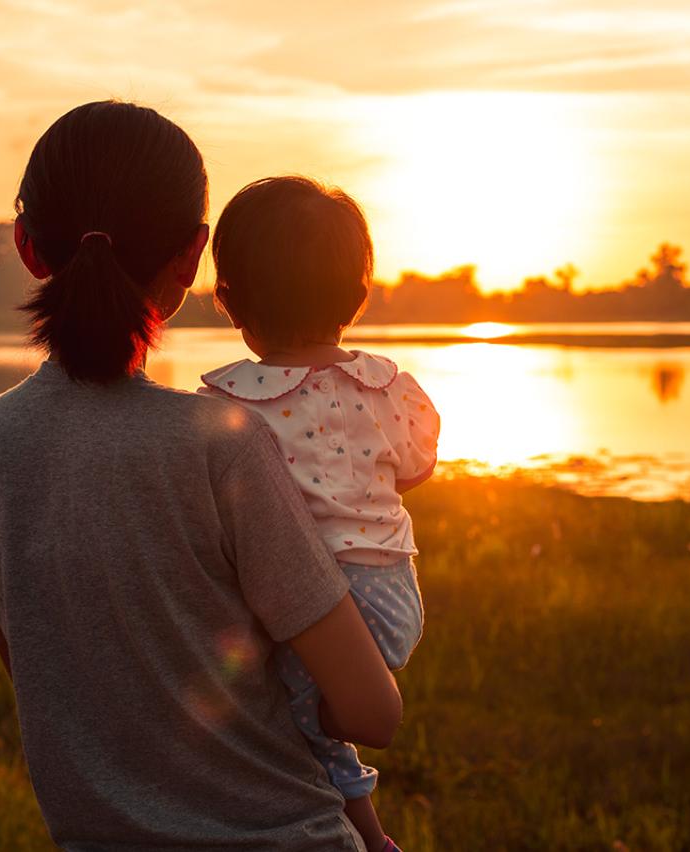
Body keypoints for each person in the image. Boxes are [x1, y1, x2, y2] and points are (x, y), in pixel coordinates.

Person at [0, 101, 400, 851]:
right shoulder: (224, 445)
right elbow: (371, 714)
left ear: (26, 246)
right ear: (192, 258)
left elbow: (48, 685)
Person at [200, 176, 440, 852]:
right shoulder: (390, 385)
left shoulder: (229, 405)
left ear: (228, 299)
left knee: (296, 727)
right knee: (304, 720)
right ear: (356, 294)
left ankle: (368, 836)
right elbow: (416, 469)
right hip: (396, 597)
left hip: (320, 603)